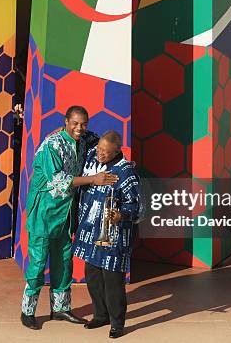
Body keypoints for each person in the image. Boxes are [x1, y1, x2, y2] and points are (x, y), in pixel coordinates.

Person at [21, 106, 119, 330]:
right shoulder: (51, 145)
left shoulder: (86, 139)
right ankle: (28, 311)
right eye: (75, 123)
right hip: (44, 212)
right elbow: (57, 180)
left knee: (64, 262)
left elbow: (107, 142)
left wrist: (122, 164)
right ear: (66, 121)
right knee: (37, 263)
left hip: (66, 213)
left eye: (83, 123)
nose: (79, 128)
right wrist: (93, 179)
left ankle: (61, 309)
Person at [73, 130, 143, 339]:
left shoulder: (127, 173)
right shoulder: (92, 156)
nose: (100, 154)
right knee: (93, 277)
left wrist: (121, 214)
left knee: (113, 282)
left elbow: (139, 207)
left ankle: (117, 323)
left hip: (114, 236)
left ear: (117, 151)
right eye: (100, 149)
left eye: (106, 152)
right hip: (91, 233)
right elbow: (82, 133)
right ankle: (100, 315)